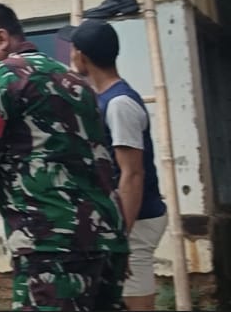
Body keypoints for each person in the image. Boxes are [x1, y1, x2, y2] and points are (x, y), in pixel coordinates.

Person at [0, 2, 127, 311]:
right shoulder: (76, 81)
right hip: (107, 237)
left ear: (1, 39)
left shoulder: (1, 75)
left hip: (51, 240)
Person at [59, 19, 168, 311]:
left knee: (134, 300)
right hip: (123, 219)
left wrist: (122, 241)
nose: (70, 55)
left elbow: (132, 175)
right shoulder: (102, 98)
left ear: (81, 56)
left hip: (137, 220)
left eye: (72, 49)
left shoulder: (119, 104)